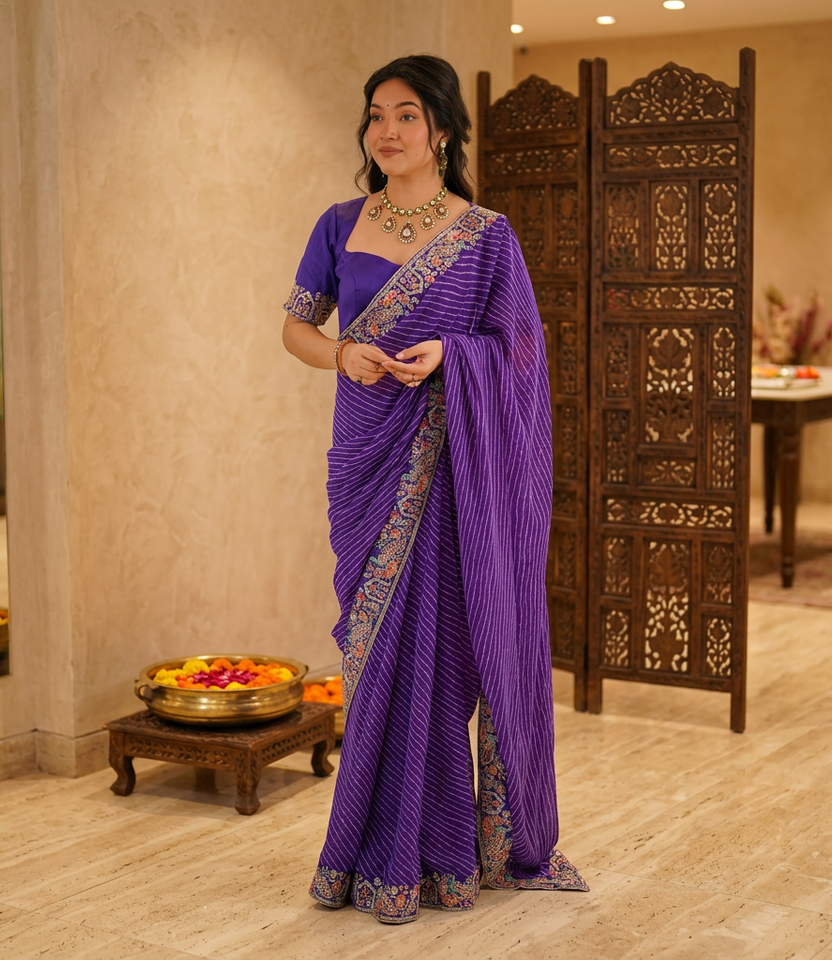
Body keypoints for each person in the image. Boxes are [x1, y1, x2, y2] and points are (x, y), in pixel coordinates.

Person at [281, 54, 587, 925]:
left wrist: (455, 353)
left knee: (443, 660)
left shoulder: (486, 236)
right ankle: (366, 853)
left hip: (455, 471)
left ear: (443, 130)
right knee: (374, 654)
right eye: (376, 115)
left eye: (407, 115)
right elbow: (296, 328)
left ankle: (441, 854)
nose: (387, 130)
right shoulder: (340, 224)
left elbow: (520, 354)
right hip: (366, 460)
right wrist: (342, 353)